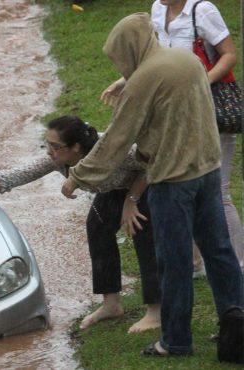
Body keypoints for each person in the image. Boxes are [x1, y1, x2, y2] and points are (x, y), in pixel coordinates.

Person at [62, 13, 243, 356]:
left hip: (172, 182)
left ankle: (175, 340)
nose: (120, 62)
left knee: (173, 262)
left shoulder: (144, 80)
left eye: (119, 55)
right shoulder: (188, 60)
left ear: (131, 47)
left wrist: (78, 177)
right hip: (207, 170)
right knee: (219, 253)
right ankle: (235, 326)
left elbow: (115, 140)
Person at [0, 115, 161, 333]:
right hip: (112, 191)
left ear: (76, 148)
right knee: (97, 230)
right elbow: (13, 176)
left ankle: (156, 311)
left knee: (143, 236)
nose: (49, 151)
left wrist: (132, 201)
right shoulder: (58, 159)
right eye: (46, 144)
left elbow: (151, 164)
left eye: (55, 146)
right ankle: (111, 305)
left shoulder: (112, 150)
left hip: (145, 187)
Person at [101, 0, 244, 272]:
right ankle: (196, 261)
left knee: (219, 190)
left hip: (210, 108)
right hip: (176, 111)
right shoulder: (156, 10)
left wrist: (203, 82)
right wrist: (124, 81)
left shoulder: (203, 11)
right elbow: (153, 56)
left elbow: (229, 55)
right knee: (180, 183)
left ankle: (238, 264)